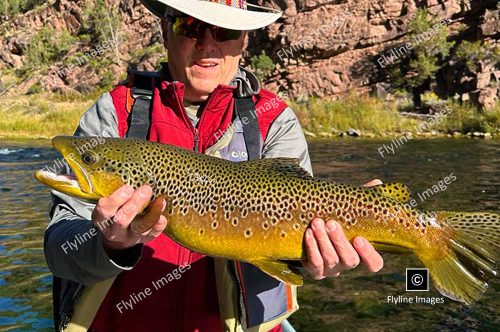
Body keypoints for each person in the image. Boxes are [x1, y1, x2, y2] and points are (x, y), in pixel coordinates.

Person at [44, 0, 384, 331]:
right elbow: (59, 250)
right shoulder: (115, 113)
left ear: (243, 39)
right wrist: (108, 243)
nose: (207, 44)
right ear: (165, 30)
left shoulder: (274, 120)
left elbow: (302, 245)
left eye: (224, 30)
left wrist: (313, 261)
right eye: (190, 25)